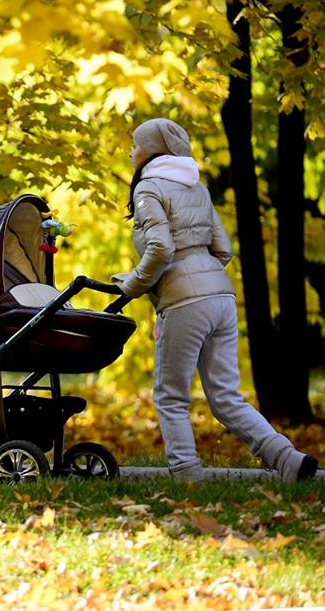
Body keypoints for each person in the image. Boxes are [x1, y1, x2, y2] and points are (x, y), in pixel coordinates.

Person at [111, 117, 318, 482]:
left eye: (136, 144)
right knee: (225, 398)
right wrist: (198, 276)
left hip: (184, 305)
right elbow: (223, 250)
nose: (132, 151)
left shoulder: (148, 189)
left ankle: (187, 476)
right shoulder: (197, 188)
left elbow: (160, 249)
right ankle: (287, 459)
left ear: (152, 150)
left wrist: (131, 286)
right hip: (220, 298)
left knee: (170, 397)